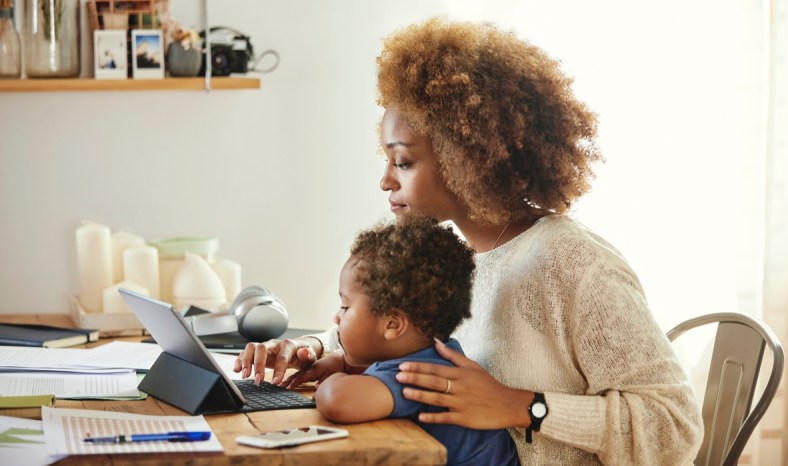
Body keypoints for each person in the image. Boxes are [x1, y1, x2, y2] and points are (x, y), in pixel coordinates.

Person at [234, 17, 703, 465]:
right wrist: (314, 349)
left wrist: (523, 407)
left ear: (467, 157)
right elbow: (399, 332)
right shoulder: (456, 257)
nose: (385, 181)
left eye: (403, 162)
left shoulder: (574, 263)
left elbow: (675, 428)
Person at [283, 215, 520, 465]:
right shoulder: (442, 354)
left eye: (345, 306)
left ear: (393, 325)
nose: (337, 317)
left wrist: (334, 381)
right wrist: (343, 364)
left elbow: (337, 401)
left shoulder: (420, 375)